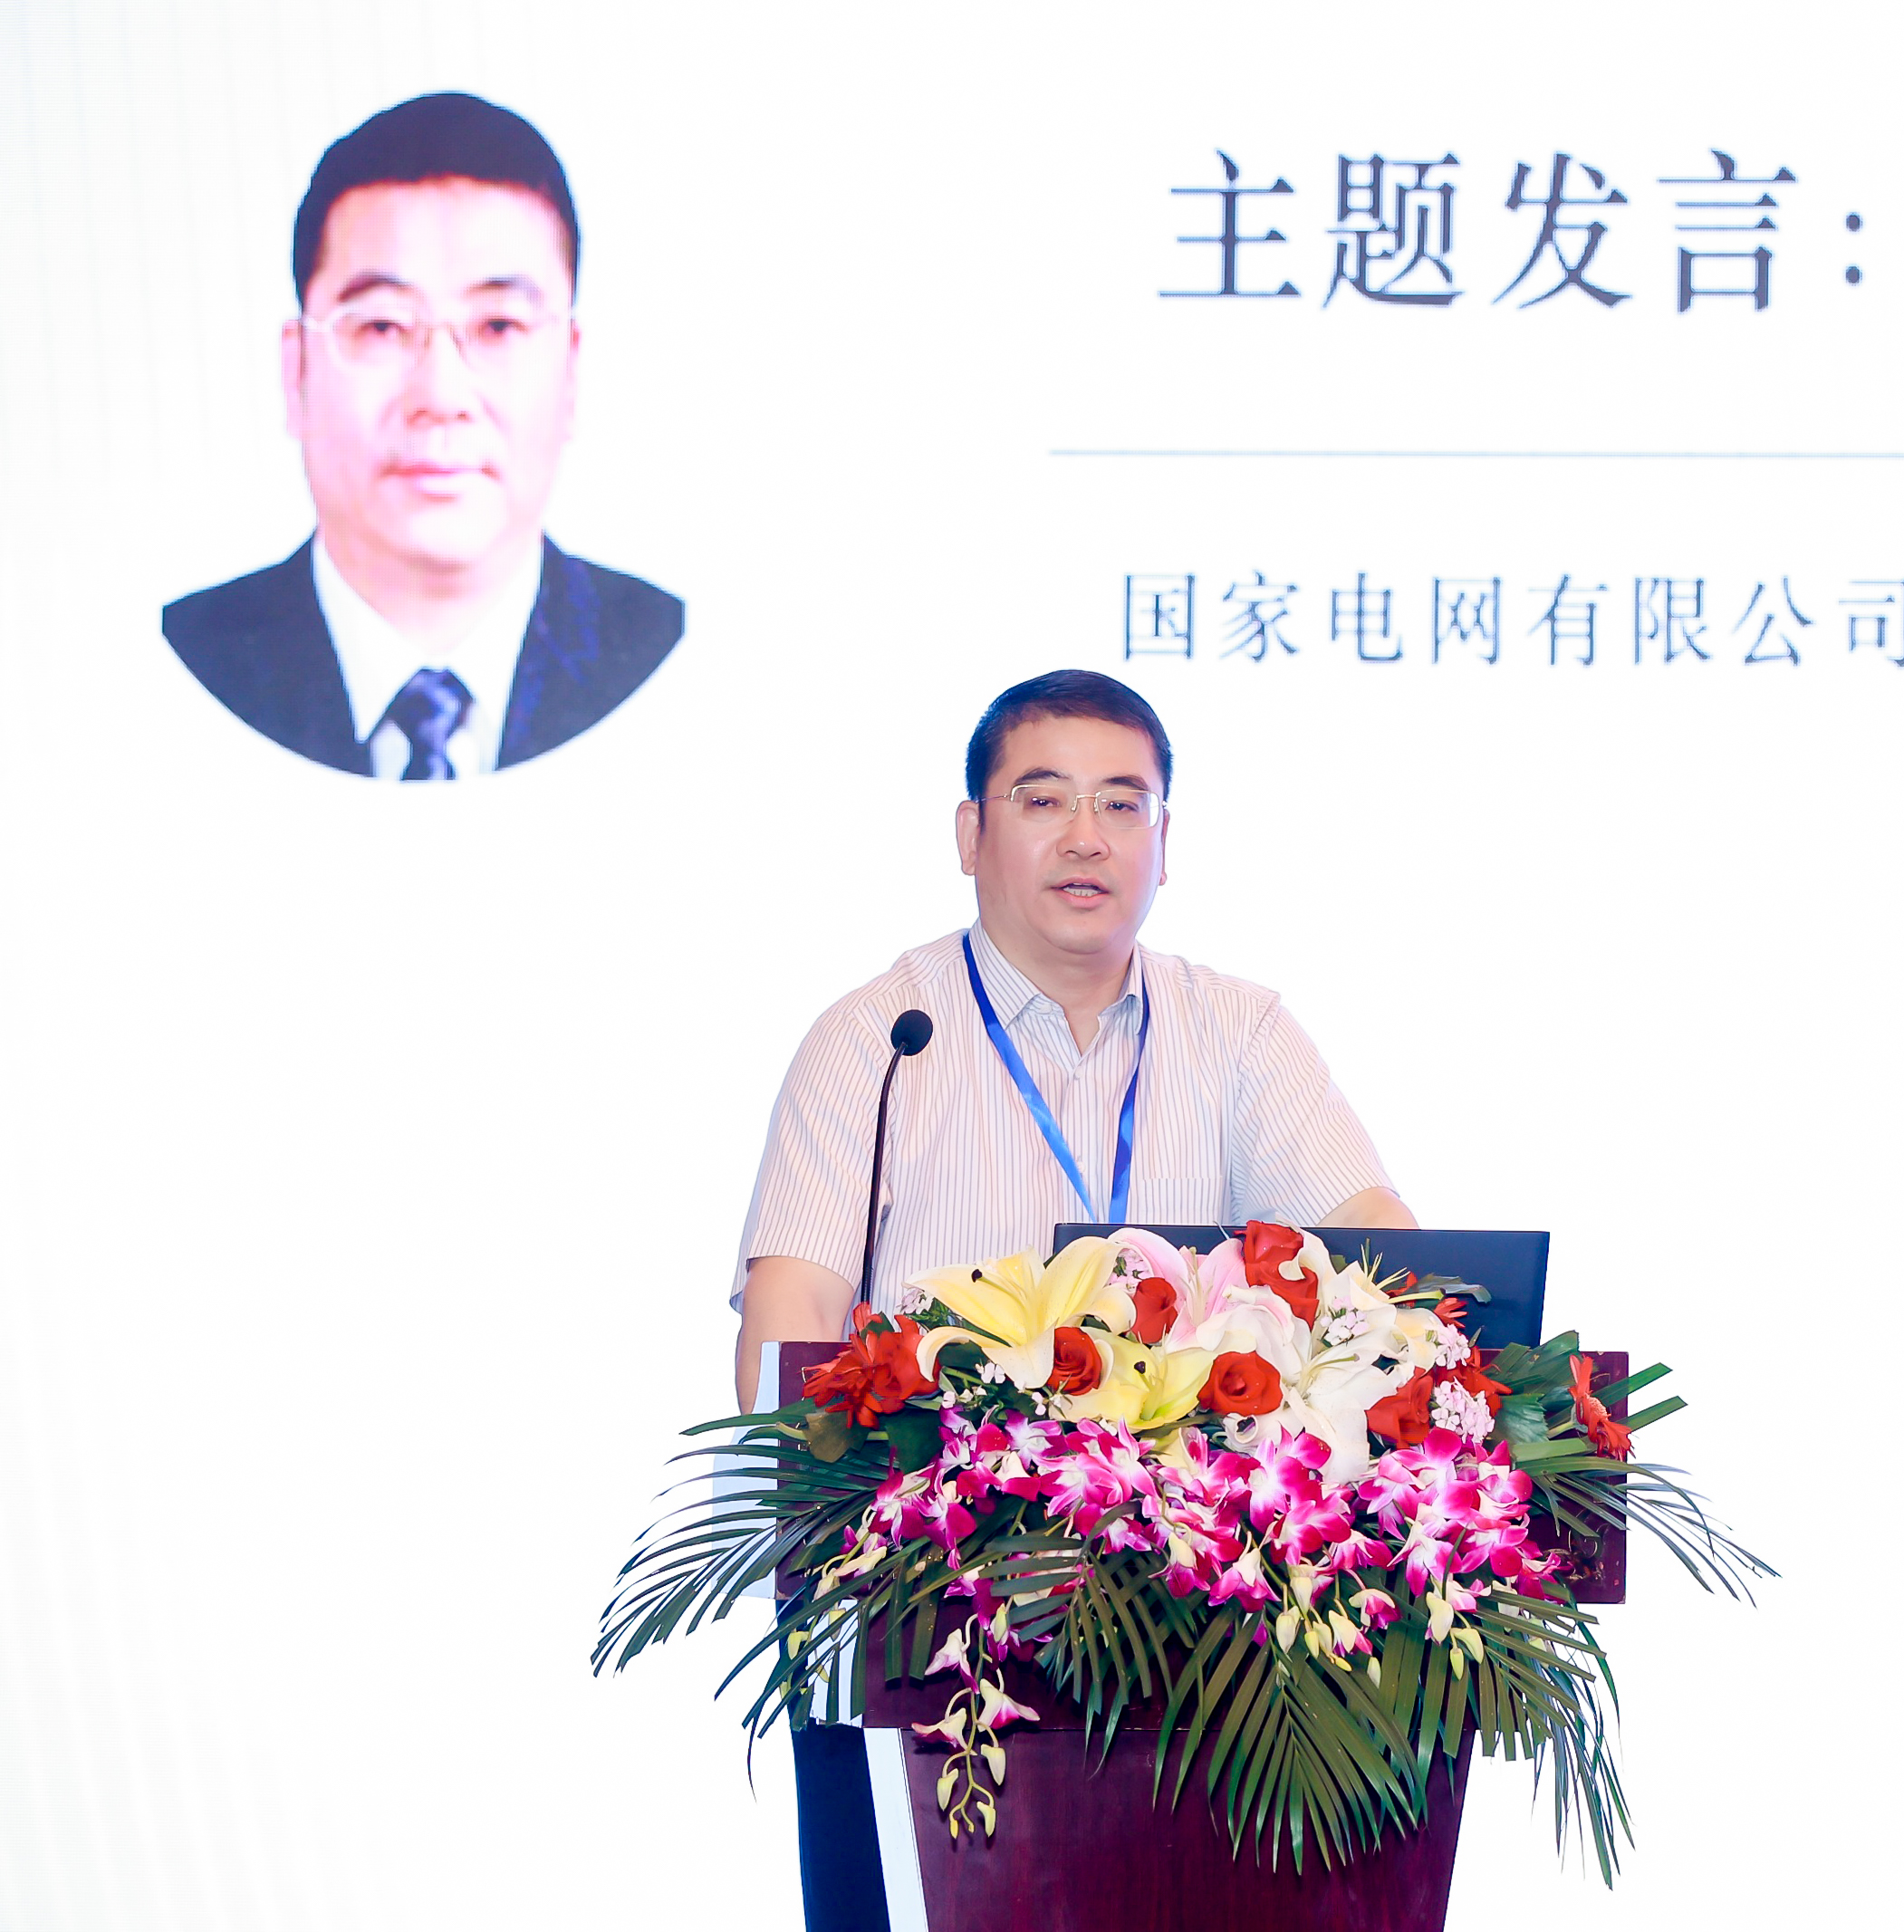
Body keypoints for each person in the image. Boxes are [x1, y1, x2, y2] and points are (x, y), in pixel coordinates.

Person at [728, 668, 1414, 1931]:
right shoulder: (880, 1042)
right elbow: (789, 1321)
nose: (1086, 836)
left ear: (1165, 840)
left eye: (1122, 802)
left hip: (1216, 1649)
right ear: (969, 832)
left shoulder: (1239, 1033)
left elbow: (1382, 1266)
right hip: (927, 1627)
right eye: (1043, 799)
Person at [161, 92, 682, 779]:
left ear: (571, 373)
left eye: (498, 327)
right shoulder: (168, 669)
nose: (441, 397)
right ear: (297, 373)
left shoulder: (678, 661)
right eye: (382, 327)